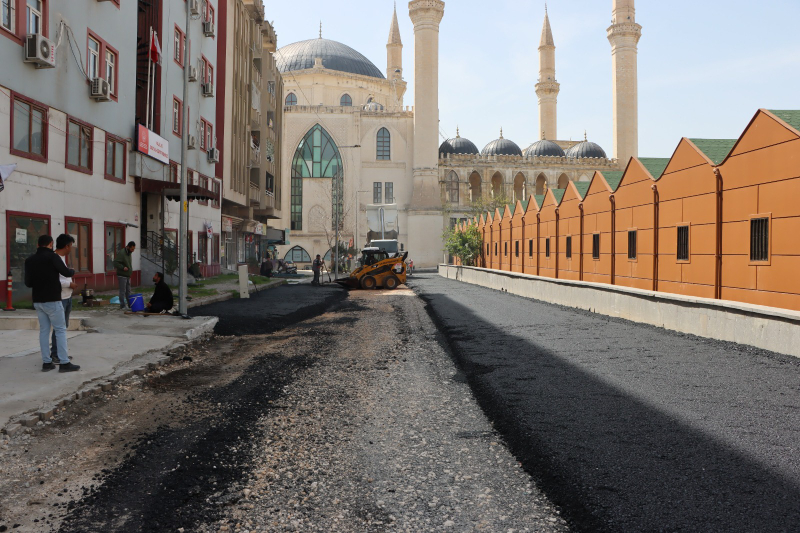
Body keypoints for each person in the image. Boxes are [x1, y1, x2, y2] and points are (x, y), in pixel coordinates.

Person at [24, 235, 80, 372]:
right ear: (51, 243)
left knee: (44, 331)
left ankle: (47, 363)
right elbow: (66, 272)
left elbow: (28, 283)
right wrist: (73, 271)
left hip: (38, 300)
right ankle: (64, 362)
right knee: (60, 330)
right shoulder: (53, 257)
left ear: (38, 244)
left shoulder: (30, 260)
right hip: (53, 300)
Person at [50, 234, 78, 364]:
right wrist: (69, 284)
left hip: (67, 296)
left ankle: (61, 353)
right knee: (59, 327)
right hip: (60, 297)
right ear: (66, 246)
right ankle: (55, 354)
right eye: (71, 246)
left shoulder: (62, 258)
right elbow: (52, 280)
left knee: (63, 326)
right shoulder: (54, 258)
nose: (71, 249)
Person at [113, 241, 135, 310]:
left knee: (128, 291)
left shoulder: (129, 253)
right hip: (122, 275)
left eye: (133, 249)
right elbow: (115, 263)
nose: (132, 251)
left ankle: (129, 305)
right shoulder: (122, 253)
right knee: (122, 291)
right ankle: (122, 305)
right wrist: (123, 267)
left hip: (127, 275)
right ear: (128, 247)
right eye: (132, 249)